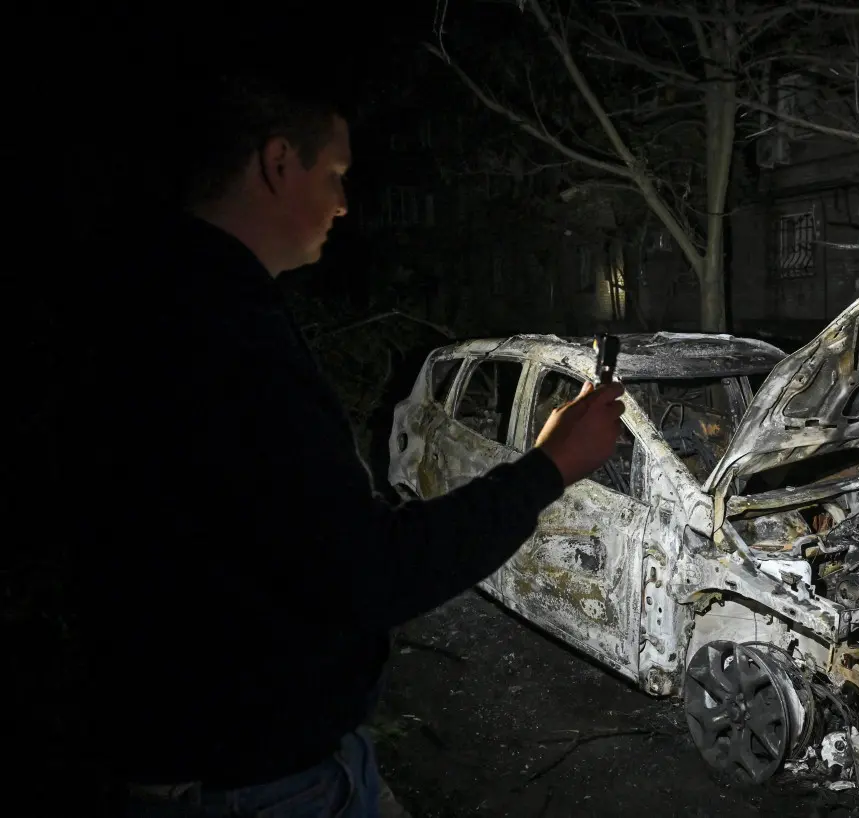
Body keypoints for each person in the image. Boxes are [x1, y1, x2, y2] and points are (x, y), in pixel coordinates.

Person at [72, 72, 626, 817]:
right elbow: (366, 572)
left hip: (272, 761)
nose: (341, 203)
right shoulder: (222, 336)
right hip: (255, 781)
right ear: (277, 163)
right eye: (333, 175)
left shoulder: (166, 301)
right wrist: (551, 465)